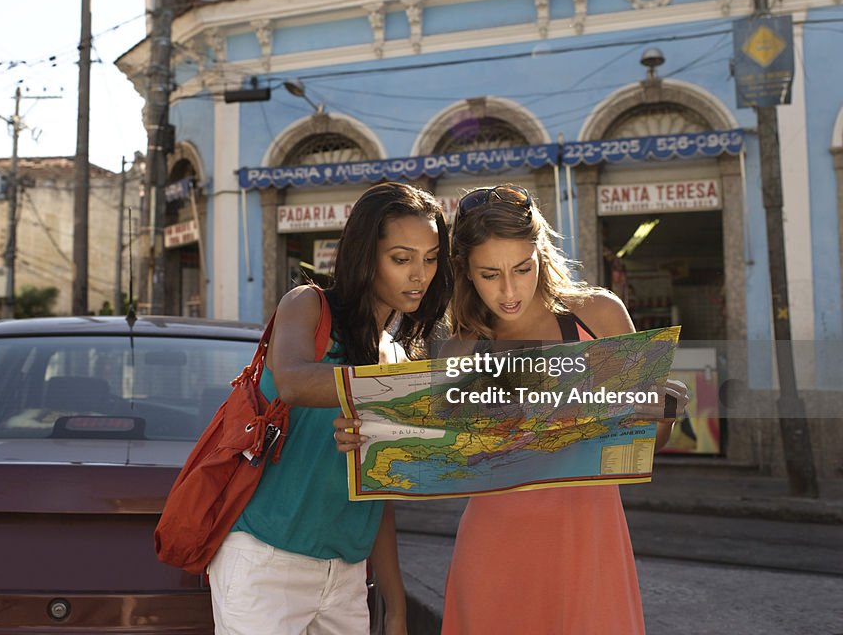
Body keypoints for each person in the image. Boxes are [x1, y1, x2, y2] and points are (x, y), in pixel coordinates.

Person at [335, 183, 686, 635]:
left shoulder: (598, 314)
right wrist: (368, 437)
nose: (508, 291)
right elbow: (436, 455)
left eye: (522, 268)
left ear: (541, 252)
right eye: (488, 274)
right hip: (493, 550)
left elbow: (651, 443)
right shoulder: (459, 349)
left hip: (588, 545)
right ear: (463, 270)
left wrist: (664, 412)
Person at [208, 181, 453, 635]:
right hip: (265, 557)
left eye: (432, 258)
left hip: (345, 576)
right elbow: (295, 381)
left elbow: (380, 489)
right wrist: (413, 389)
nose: (420, 274)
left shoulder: (396, 359)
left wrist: (396, 607)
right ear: (365, 255)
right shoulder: (308, 305)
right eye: (401, 259)